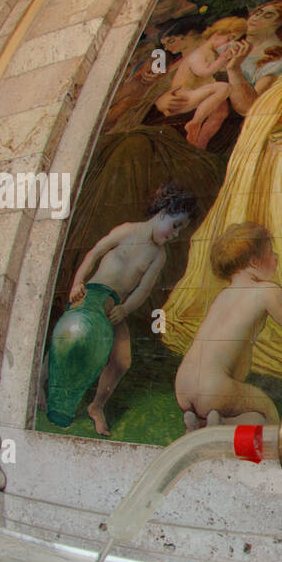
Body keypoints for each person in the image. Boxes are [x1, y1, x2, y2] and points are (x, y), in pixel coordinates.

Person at [59, 183, 198, 435]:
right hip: (90, 297)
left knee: (122, 361)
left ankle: (96, 406)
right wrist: (78, 283)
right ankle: (46, 385)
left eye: (181, 230)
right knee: (68, 341)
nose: (176, 234)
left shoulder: (159, 256)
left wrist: (124, 310)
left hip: (115, 310)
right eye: (176, 225)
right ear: (164, 211)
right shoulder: (127, 231)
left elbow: (143, 290)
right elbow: (94, 253)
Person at [174, 222, 282, 429]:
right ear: (254, 261)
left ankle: (200, 424)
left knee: (240, 411)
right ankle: (221, 423)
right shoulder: (267, 291)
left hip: (183, 384)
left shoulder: (223, 295)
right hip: (214, 387)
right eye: (271, 252)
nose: (276, 258)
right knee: (269, 415)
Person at [155, 16, 248, 147]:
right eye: (229, 39)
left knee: (221, 111)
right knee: (223, 88)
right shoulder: (197, 54)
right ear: (217, 34)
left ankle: (199, 143)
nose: (229, 44)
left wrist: (232, 59)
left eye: (234, 40)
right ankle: (195, 122)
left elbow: (221, 69)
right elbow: (204, 72)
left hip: (199, 95)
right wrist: (222, 59)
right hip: (182, 98)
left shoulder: (212, 53)